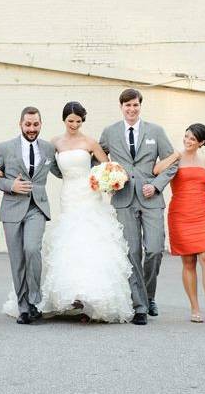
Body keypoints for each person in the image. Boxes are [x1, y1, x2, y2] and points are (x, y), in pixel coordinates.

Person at [36, 102, 133, 323]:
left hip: (89, 193)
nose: (74, 124)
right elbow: (50, 166)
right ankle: (71, 294)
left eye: (78, 121)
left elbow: (107, 166)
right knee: (70, 239)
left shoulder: (89, 142)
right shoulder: (54, 143)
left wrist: (106, 180)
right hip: (68, 193)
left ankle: (91, 298)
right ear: (64, 120)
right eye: (70, 121)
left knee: (89, 239)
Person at [99, 88, 177, 325]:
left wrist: (156, 185)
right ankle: (140, 306)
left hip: (151, 199)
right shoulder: (110, 132)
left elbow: (172, 162)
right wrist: (107, 178)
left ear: (140, 106)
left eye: (135, 105)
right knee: (132, 252)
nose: (131, 109)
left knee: (154, 249)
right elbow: (98, 158)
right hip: (123, 199)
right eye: (127, 106)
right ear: (121, 107)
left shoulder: (155, 131)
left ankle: (148, 295)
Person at [0, 106, 59, 324]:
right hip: (12, 208)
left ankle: (34, 299)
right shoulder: (5, 147)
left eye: (35, 124)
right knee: (17, 259)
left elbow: (62, 169)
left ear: (41, 124)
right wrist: (11, 185)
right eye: (28, 124)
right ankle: (24, 308)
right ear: (20, 124)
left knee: (32, 249)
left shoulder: (49, 149)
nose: (31, 128)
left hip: (37, 208)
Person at [156, 123, 205, 324]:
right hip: (181, 213)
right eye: (186, 137)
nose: (188, 141)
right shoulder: (176, 157)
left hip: (203, 212)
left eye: (193, 139)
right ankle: (195, 308)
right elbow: (156, 170)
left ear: (202, 142)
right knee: (188, 262)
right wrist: (174, 156)